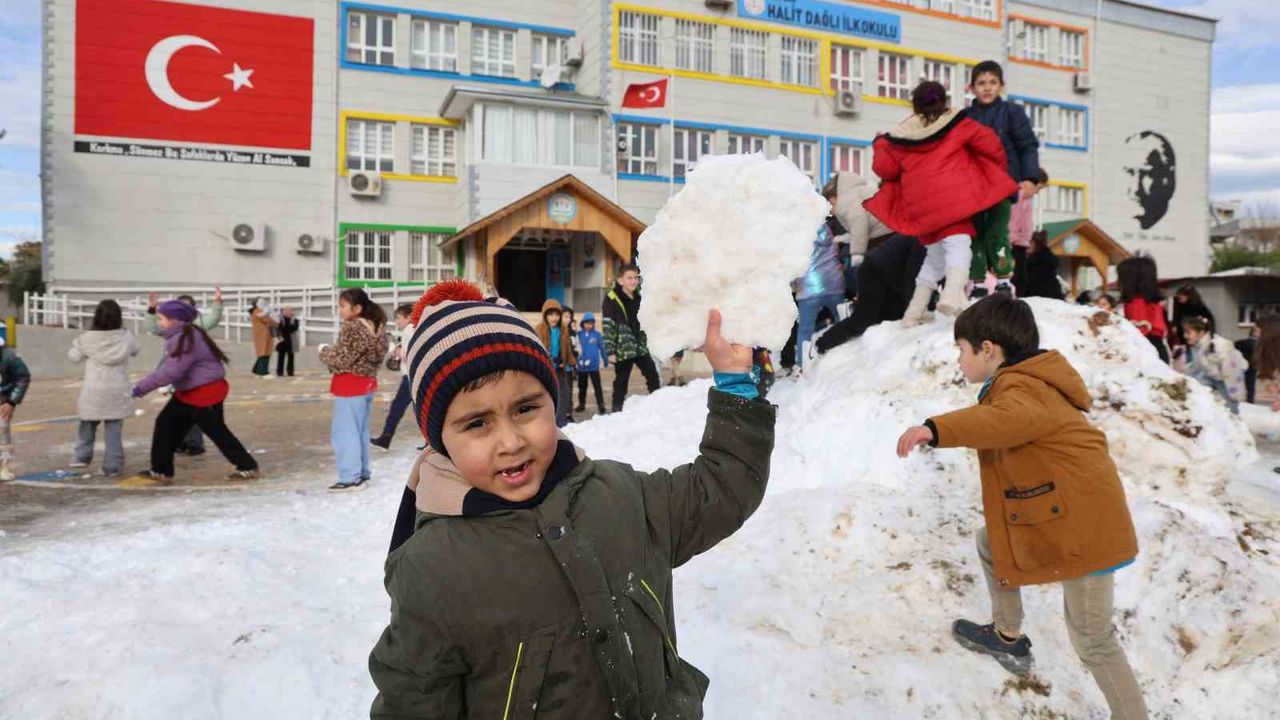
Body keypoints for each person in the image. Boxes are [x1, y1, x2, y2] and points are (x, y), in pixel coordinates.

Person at [369, 278, 775, 718]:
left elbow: (721, 489)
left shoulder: (623, 496)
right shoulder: (432, 568)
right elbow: (412, 704)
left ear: (552, 401)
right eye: (477, 423)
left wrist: (736, 386)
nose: (511, 442)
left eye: (526, 408)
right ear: (439, 440)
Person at [896, 295, 1146, 719]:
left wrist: (935, 429)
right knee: (992, 542)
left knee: (1094, 639)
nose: (958, 360)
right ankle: (1006, 634)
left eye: (961, 349)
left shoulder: (1024, 389)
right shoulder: (1024, 382)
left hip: (1086, 529)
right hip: (1069, 515)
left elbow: (1003, 422)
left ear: (987, 349)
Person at [863, 80, 1017, 326]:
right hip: (953, 201)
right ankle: (952, 295)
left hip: (922, 208)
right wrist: (985, 170)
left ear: (915, 106)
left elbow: (886, 170)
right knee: (960, 248)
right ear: (943, 101)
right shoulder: (959, 124)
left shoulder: (902, 135)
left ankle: (913, 313)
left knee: (934, 258)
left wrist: (880, 144)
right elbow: (992, 145)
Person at [123, 300, 260, 487]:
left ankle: (248, 466)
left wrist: (139, 388)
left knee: (216, 430)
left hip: (205, 393)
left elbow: (170, 372)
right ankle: (161, 470)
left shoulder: (185, 339)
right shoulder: (183, 334)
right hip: (190, 391)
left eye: (161, 319)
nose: (159, 322)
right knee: (166, 424)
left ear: (174, 320)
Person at [966, 60, 1042, 298]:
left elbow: (1027, 145)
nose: (987, 88)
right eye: (981, 83)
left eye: (992, 82)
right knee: (974, 234)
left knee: (998, 232)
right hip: (973, 186)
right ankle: (977, 281)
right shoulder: (965, 118)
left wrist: (1030, 177)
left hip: (1002, 184)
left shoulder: (1012, 113)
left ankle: (1003, 278)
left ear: (1001, 85)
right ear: (972, 88)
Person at [320, 289, 389, 490]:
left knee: (345, 433)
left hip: (350, 384)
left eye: (343, 306)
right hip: (367, 382)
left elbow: (343, 358)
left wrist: (323, 351)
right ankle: (362, 471)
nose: (340, 310)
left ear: (357, 308)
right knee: (360, 431)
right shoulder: (376, 326)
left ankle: (350, 476)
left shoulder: (352, 327)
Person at [815, 233, 927, 354]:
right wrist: (915, 307)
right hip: (874, 272)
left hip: (890, 275)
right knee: (865, 318)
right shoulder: (922, 240)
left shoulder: (929, 239)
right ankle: (822, 344)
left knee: (895, 315)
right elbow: (912, 279)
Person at [146, 289, 223, 456]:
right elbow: (153, 327)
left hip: (194, 380)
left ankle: (194, 443)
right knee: (179, 413)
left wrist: (217, 303)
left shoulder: (197, 326)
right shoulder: (170, 328)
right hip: (179, 379)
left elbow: (213, 319)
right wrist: (152, 309)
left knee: (194, 413)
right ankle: (179, 444)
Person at [68, 300, 141, 477]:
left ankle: (81, 457)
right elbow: (136, 350)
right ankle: (112, 466)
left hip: (94, 389)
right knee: (114, 428)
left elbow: (73, 357)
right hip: (117, 389)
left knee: (87, 423)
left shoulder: (86, 338)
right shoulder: (126, 337)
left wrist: (80, 347)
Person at [794, 183, 847, 368]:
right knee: (843, 321)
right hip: (834, 282)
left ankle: (802, 365)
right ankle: (845, 358)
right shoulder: (826, 227)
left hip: (808, 288)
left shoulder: (795, 231)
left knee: (805, 330)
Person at [603, 263, 662, 411]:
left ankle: (658, 406)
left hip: (639, 345)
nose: (633, 281)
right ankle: (616, 411)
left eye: (636, 278)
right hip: (623, 347)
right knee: (621, 381)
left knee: (652, 374)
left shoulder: (639, 297)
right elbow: (608, 325)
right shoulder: (612, 298)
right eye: (629, 278)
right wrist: (610, 351)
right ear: (620, 280)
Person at [1181, 316, 1247, 415]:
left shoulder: (1218, 345)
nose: (1185, 336)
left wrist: (1234, 391)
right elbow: (1195, 367)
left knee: (1229, 408)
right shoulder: (1200, 347)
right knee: (1199, 385)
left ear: (1201, 332)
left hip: (1227, 380)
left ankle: (1233, 420)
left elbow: (1232, 366)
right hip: (1215, 378)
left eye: (1188, 333)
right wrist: (1181, 377)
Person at [371, 304, 415, 451]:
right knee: (417, 410)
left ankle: (386, 438)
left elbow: (408, 355)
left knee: (397, 409)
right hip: (413, 377)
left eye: (398, 317)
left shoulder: (409, 330)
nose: (397, 321)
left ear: (408, 317)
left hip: (410, 378)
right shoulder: (413, 329)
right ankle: (430, 442)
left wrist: (394, 350)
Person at [1117, 256, 1169, 364]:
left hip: (1146, 350)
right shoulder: (1152, 303)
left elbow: (1139, 333)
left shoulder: (1136, 304)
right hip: (1158, 347)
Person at [534, 299, 575, 427]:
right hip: (545, 367)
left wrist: (569, 360)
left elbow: (567, 348)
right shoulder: (539, 329)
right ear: (545, 315)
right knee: (545, 394)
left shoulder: (563, 329)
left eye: (557, 315)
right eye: (551, 314)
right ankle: (545, 420)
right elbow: (538, 349)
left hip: (559, 367)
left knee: (564, 392)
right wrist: (550, 359)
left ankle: (560, 419)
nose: (554, 318)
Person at [1009, 169, 1050, 295]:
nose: (1037, 192)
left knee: (1021, 279)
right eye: (1038, 188)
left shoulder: (1026, 200)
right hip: (1013, 244)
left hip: (1021, 244)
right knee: (1017, 279)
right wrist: (1010, 242)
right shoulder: (1016, 197)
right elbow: (1012, 222)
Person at [0, 338, 31, 482]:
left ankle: (4, 466)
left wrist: (11, 401)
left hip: (3, 400)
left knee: (2, 431)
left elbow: (22, 377)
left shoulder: (9, 357)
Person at [574, 311, 608, 415]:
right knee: (582, 387)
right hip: (581, 366)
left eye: (591, 323)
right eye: (587, 323)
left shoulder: (597, 335)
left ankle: (601, 404)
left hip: (593, 366)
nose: (589, 325)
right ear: (583, 323)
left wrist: (605, 359)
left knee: (597, 386)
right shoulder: (579, 335)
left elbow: (602, 348)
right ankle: (581, 404)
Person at [1020, 230, 1065, 300]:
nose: (1026, 245)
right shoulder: (1027, 262)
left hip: (1046, 299)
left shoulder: (1045, 261)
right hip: (1033, 299)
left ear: (1037, 244)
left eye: (1030, 242)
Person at [1170, 284, 1215, 349]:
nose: (1179, 301)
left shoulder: (1199, 309)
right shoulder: (1180, 307)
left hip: (1197, 339)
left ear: (1188, 296)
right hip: (1186, 340)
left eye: (1180, 298)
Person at [251, 298, 277, 377]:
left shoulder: (256, 311)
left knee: (263, 351)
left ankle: (257, 370)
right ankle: (263, 372)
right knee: (264, 352)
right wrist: (275, 321)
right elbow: (268, 320)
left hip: (262, 334)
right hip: (263, 334)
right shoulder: (259, 311)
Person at [1235, 323, 1260, 404]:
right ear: (1253, 333)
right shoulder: (1257, 343)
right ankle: (1249, 400)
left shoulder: (1241, 342)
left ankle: (1242, 399)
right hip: (1251, 366)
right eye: (1257, 332)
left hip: (1244, 366)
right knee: (1250, 385)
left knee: (1242, 383)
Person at [276, 307, 299, 377]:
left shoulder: (295, 319)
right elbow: (279, 328)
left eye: (290, 311)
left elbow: (295, 328)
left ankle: (290, 372)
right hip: (281, 341)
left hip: (291, 341)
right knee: (281, 357)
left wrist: (285, 328)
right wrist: (287, 328)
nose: (288, 312)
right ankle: (280, 372)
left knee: (291, 357)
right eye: (286, 311)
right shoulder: (279, 319)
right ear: (283, 312)